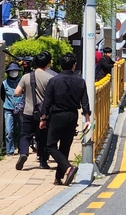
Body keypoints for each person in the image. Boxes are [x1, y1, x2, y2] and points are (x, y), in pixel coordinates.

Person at [39, 52, 91, 186]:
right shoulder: (80, 81)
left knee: (50, 145)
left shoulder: (54, 80)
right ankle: (59, 177)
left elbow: (47, 101)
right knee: (65, 146)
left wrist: (43, 118)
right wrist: (87, 118)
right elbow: (85, 101)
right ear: (74, 66)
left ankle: (68, 168)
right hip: (72, 116)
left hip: (57, 115)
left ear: (61, 66)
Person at [14, 51, 56, 171]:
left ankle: (23, 153)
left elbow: (16, 93)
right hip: (44, 113)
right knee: (43, 137)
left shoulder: (26, 77)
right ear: (48, 64)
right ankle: (43, 162)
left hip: (28, 111)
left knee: (25, 135)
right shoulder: (51, 78)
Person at [0, 62, 23, 155]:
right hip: (8, 109)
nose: (13, 72)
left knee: (22, 130)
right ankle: (10, 151)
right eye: (11, 71)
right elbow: (2, 96)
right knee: (9, 131)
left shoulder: (21, 81)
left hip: (20, 109)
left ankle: (22, 149)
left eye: (15, 71)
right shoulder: (4, 83)